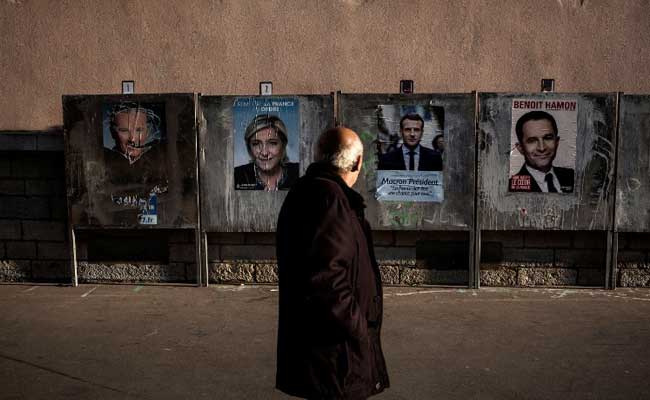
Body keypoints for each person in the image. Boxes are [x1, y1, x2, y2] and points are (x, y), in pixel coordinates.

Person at [276, 127, 389, 399]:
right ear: (357, 162)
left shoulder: (306, 191)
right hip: (335, 354)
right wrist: (359, 329)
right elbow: (327, 279)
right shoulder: (331, 199)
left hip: (320, 350)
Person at [509, 110, 574, 193]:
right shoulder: (509, 188)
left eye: (548, 138)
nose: (542, 148)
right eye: (532, 140)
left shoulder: (572, 176)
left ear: (556, 142)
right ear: (520, 148)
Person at [234, 114, 299, 191]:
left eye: (272, 143)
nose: (264, 153)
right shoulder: (236, 176)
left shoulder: (299, 172)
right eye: (256, 144)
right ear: (249, 148)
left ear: (283, 145)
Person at [377, 113, 442, 171]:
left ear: (422, 133)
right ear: (401, 132)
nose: (412, 134)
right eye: (407, 130)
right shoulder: (386, 159)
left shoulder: (435, 158)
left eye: (416, 130)